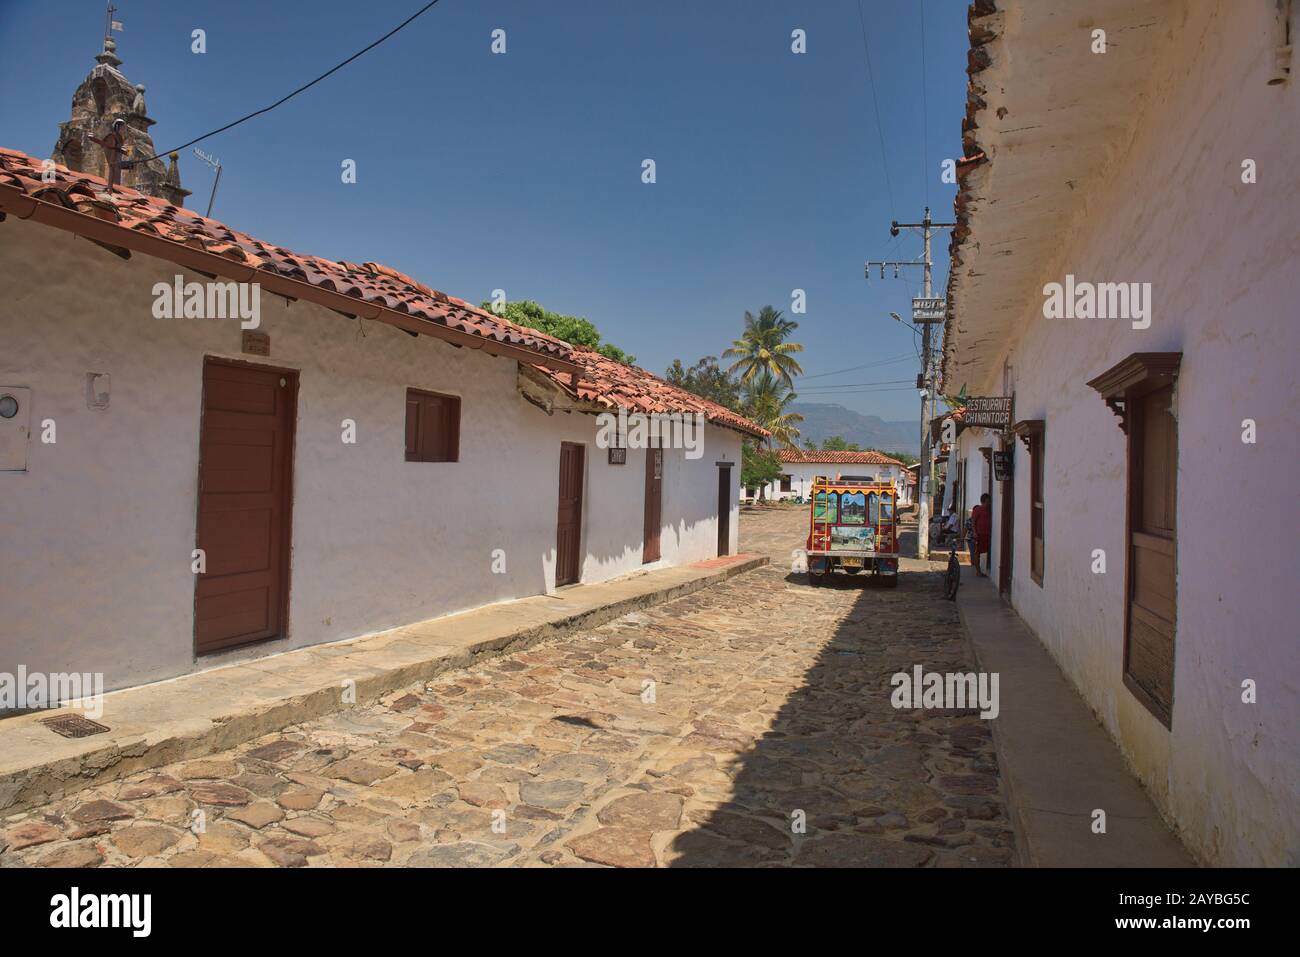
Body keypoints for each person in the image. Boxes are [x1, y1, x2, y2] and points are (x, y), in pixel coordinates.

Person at [970, 493, 992, 576]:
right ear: (983, 502)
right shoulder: (977, 510)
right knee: (977, 553)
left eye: (989, 502)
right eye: (987, 502)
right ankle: (978, 571)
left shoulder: (989, 510)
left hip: (987, 534)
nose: (988, 503)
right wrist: (975, 532)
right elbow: (973, 522)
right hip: (979, 534)